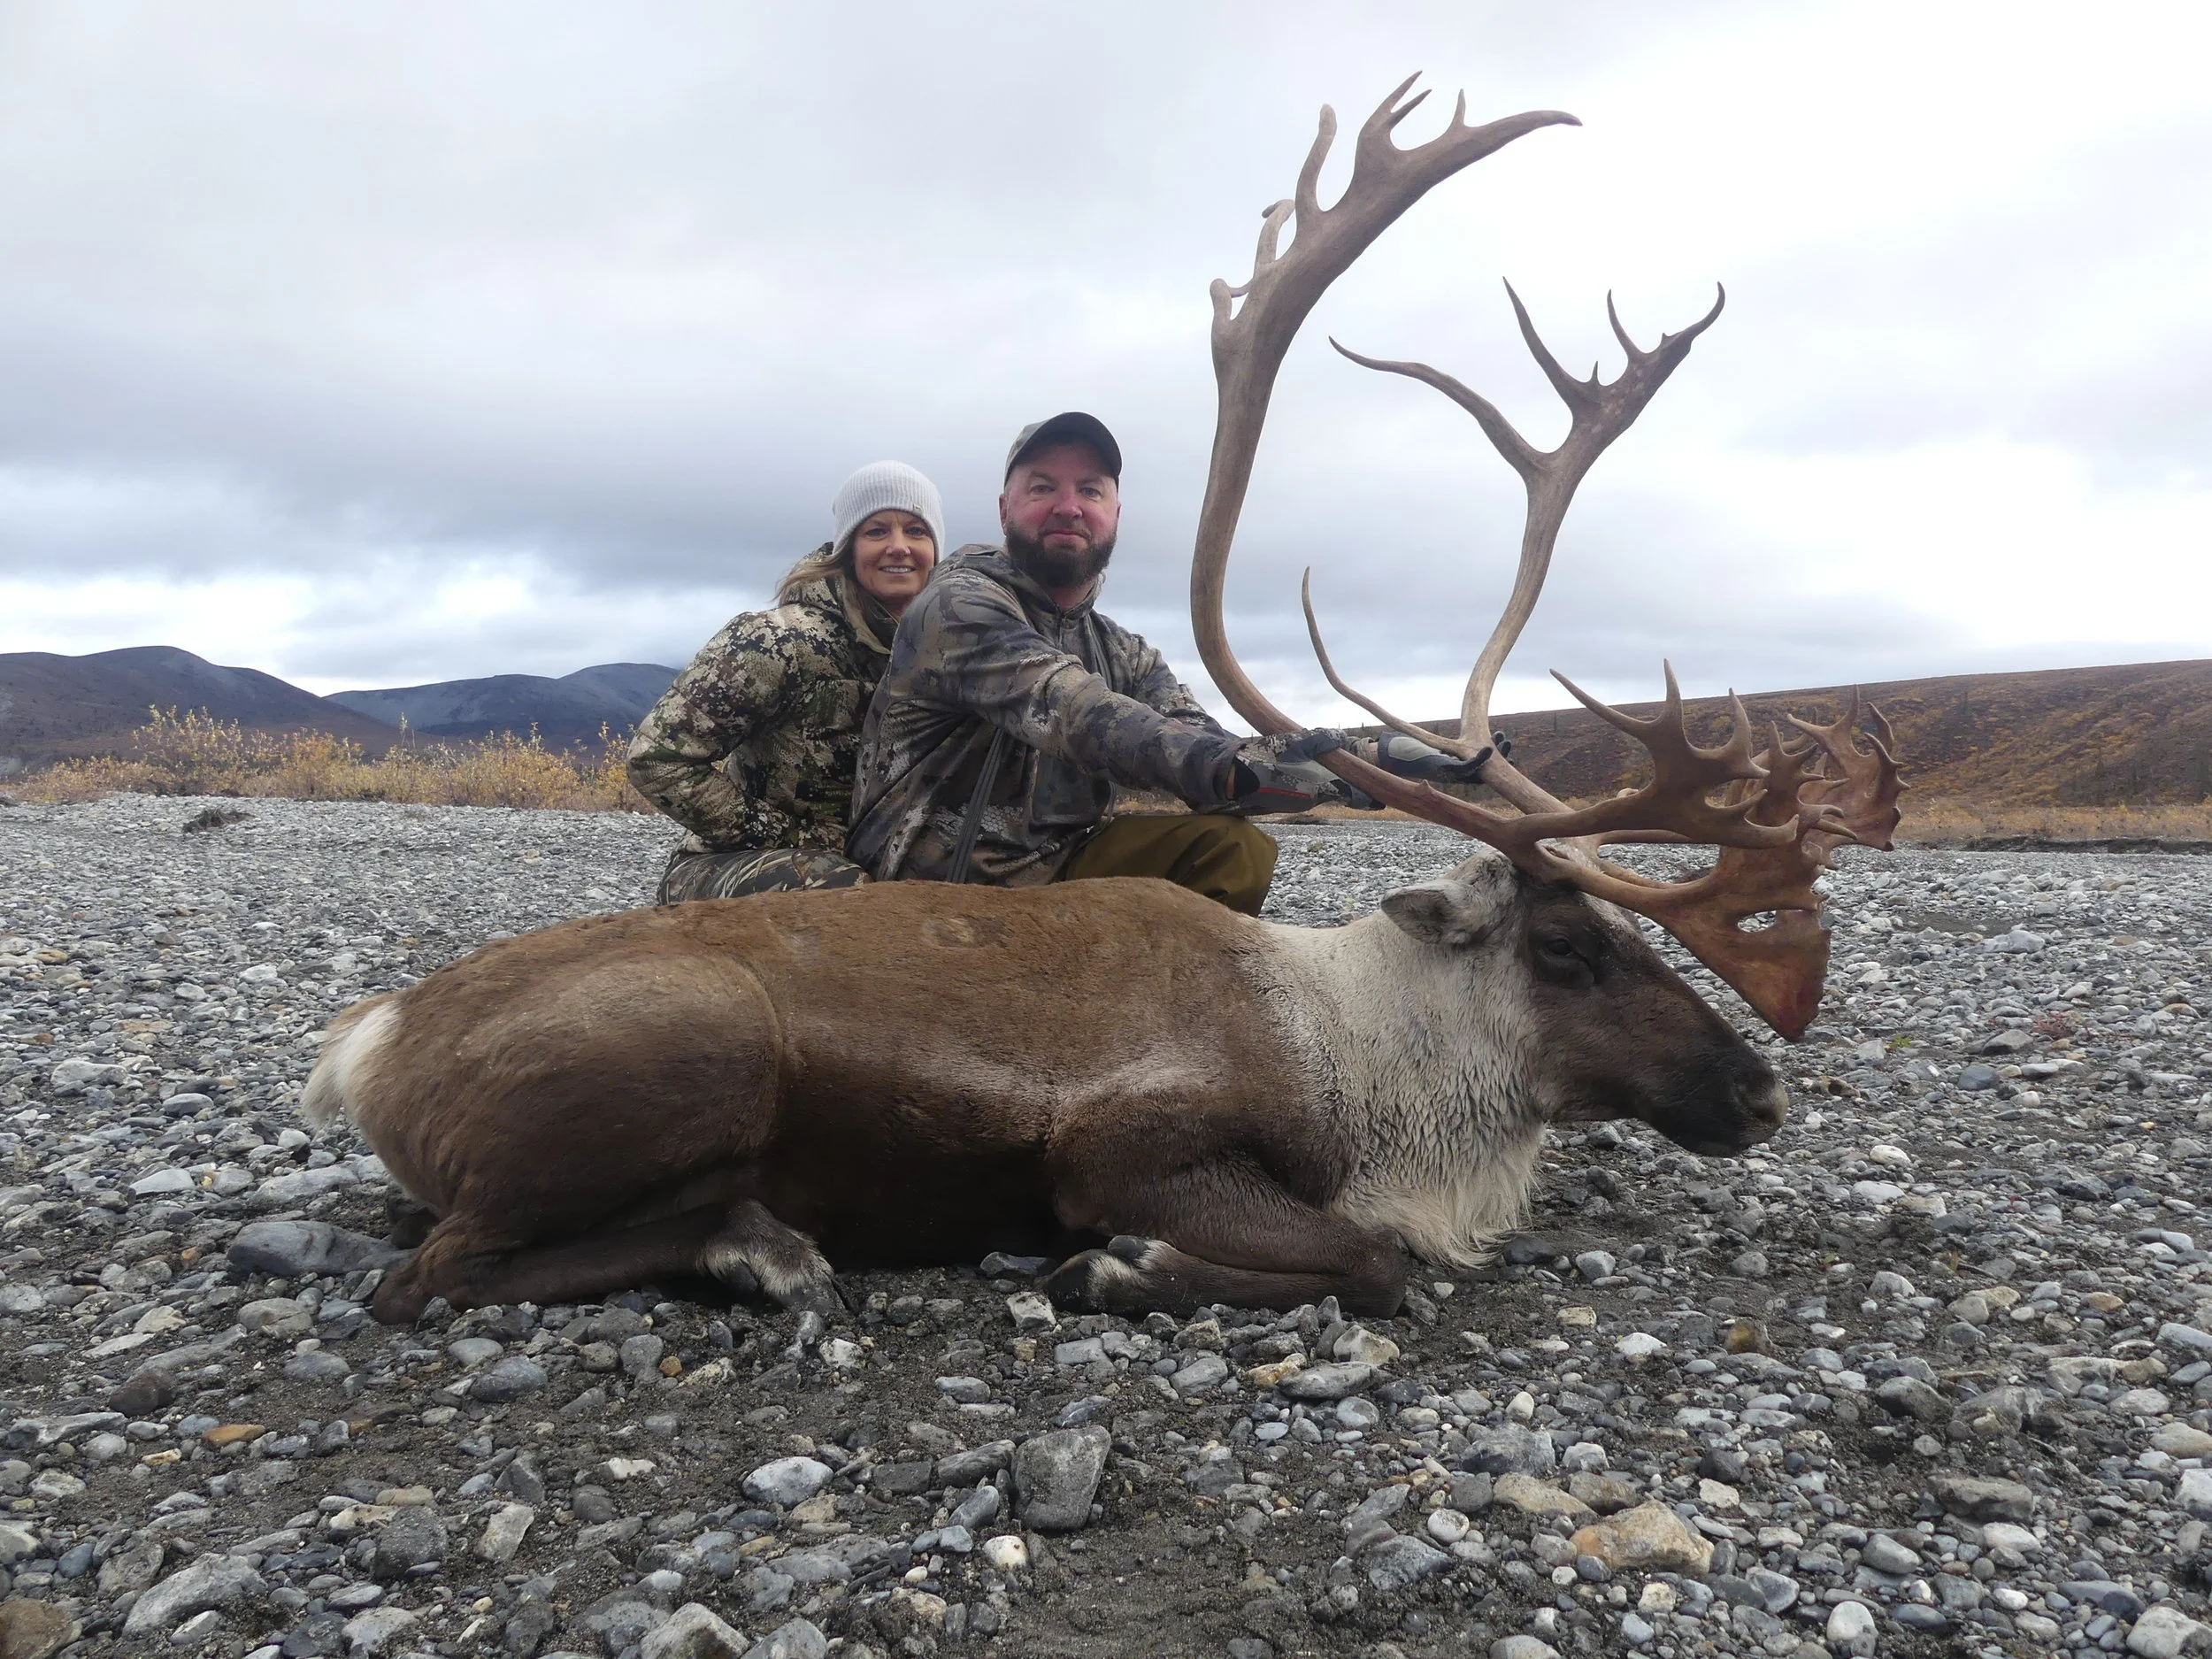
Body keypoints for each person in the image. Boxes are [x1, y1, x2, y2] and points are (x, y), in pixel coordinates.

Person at [848, 413, 1488, 915]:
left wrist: (1369, 764)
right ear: (1004, 509)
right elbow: (1083, 714)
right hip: (935, 891)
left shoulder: (1121, 649)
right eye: (1042, 487)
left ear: (1115, 514)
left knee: (1233, 851)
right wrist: (1229, 769)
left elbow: (1205, 744)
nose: (1068, 505)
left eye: (1089, 490)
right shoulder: (957, 606)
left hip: (1058, 875)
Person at [628, 461, 944, 902]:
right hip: (733, 867)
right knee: (840, 890)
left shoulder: (947, 653)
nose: (898, 547)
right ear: (848, 547)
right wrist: (789, 835)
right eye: (876, 532)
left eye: (916, 531)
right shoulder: (775, 641)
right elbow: (656, 758)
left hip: (871, 866)